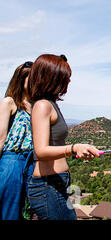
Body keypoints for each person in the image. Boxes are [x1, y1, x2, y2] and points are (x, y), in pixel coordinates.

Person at [26, 54, 100, 220]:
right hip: (47, 185)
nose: (69, 81)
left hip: (56, 183)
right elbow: (41, 150)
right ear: (52, 77)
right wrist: (74, 148)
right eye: (65, 77)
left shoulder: (51, 105)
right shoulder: (43, 106)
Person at [0, 61, 34, 220]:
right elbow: (1, 138)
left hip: (33, 162)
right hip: (12, 161)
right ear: (21, 79)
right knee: (10, 209)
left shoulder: (36, 106)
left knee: (30, 210)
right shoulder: (9, 102)